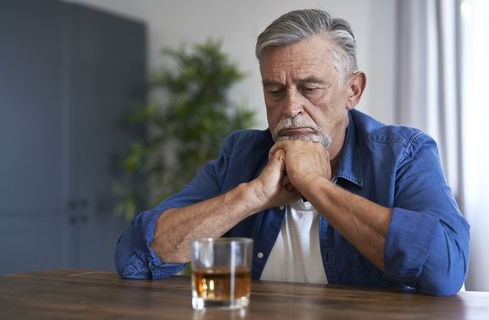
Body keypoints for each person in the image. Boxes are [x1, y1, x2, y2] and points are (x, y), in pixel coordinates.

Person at [114, 9, 470, 296]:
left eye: (309, 88)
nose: (290, 108)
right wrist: (253, 195)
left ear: (353, 90)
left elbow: (446, 269)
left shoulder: (404, 154)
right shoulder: (242, 153)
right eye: (274, 91)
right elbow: (135, 257)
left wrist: (316, 185)